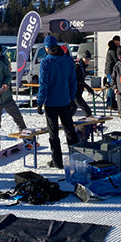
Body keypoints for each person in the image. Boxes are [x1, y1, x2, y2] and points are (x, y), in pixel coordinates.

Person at [37, 35, 78, 169]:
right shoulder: (67, 59)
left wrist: (39, 102)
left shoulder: (46, 62)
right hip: (65, 101)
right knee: (70, 131)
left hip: (51, 104)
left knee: (53, 134)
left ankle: (57, 162)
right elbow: (73, 81)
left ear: (46, 48)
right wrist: (72, 98)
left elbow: (44, 84)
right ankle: (75, 158)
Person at [72, 49, 94, 117]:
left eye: (89, 59)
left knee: (73, 108)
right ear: (82, 58)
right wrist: (87, 87)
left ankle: (66, 121)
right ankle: (89, 116)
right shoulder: (77, 66)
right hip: (75, 91)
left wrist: (88, 88)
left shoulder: (82, 67)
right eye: (86, 59)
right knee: (85, 108)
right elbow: (76, 79)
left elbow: (81, 81)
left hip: (78, 90)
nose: (87, 61)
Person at [104, 35, 120, 109]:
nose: (119, 43)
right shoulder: (112, 50)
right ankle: (110, 102)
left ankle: (111, 102)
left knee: (113, 86)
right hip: (110, 71)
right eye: (118, 41)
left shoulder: (113, 49)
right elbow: (117, 60)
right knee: (112, 86)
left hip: (111, 70)